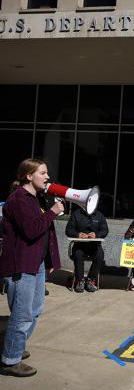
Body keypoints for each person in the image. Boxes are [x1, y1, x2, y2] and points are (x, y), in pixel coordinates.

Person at [0, 158, 64, 377]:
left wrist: (50, 262)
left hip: (35, 264)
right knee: (22, 314)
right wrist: (53, 211)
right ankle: (10, 360)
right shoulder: (19, 199)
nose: (47, 177)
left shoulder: (36, 199)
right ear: (29, 176)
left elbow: (45, 234)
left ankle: (14, 347)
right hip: (20, 265)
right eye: (43, 173)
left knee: (34, 310)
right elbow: (31, 230)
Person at [65, 206, 108, 292]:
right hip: (79, 245)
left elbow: (105, 230)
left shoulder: (99, 215)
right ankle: (79, 281)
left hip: (94, 245)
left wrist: (96, 235)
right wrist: (77, 234)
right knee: (78, 255)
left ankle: (90, 280)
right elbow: (68, 230)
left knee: (99, 255)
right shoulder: (76, 214)